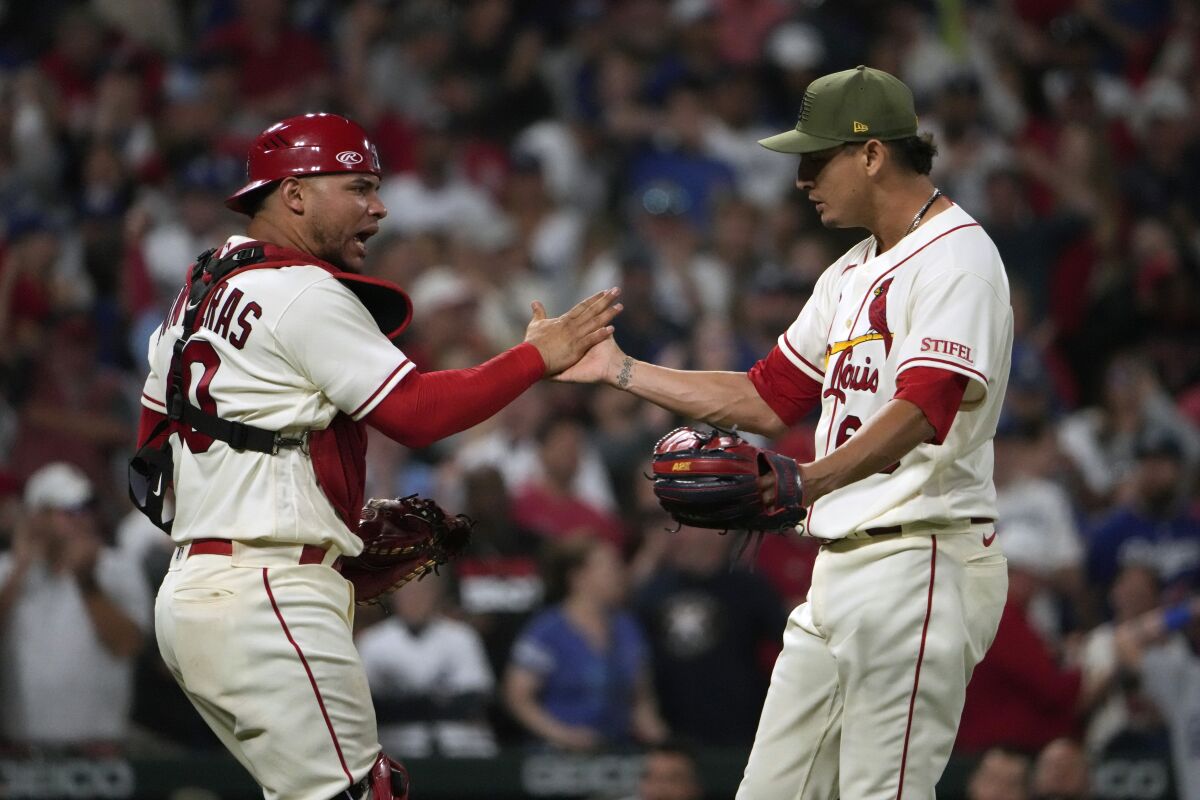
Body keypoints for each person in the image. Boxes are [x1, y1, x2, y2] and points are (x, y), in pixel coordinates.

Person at [135, 113, 620, 800]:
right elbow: (417, 414)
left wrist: (306, 519)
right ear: (296, 194)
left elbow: (150, 466)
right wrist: (537, 356)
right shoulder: (299, 289)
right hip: (268, 591)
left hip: (195, 595)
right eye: (358, 186)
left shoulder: (198, 293)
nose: (380, 205)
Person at [559, 65, 1013, 798]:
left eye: (816, 157)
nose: (801, 178)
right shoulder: (851, 269)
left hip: (920, 557)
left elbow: (922, 409)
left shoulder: (958, 257)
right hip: (841, 564)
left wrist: (807, 479)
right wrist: (620, 369)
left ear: (871, 154)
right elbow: (768, 397)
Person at [0, 462, 150, 751]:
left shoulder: (117, 567)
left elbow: (129, 645)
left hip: (98, 748)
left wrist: (87, 583)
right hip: (19, 750)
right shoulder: (7, 570)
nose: (83, 519)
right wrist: (19, 571)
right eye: (69, 511)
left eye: (86, 508)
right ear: (36, 518)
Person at [503, 536, 667, 752]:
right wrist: (564, 735)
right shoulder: (547, 631)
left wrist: (664, 743)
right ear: (578, 576)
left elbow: (640, 700)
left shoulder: (628, 628)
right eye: (609, 567)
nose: (619, 574)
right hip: (557, 755)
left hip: (617, 750)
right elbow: (517, 697)